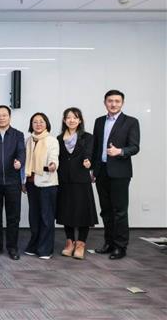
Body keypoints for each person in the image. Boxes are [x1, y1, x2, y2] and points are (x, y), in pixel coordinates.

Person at [92, 89, 140, 260]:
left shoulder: (131, 122)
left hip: (120, 172)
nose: (113, 104)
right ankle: (109, 243)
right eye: (110, 101)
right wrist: (93, 170)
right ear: (105, 102)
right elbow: (96, 147)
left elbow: (135, 147)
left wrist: (120, 151)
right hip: (101, 171)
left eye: (117, 101)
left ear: (122, 103)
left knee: (119, 211)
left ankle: (120, 247)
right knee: (106, 210)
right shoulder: (99, 121)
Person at [0, 105, 25, 260]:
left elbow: (21, 152)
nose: (1, 118)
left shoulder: (17, 135)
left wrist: (20, 162)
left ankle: (12, 247)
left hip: (13, 181)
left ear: (9, 117)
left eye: (4, 115)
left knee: (13, 216)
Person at [56, 107, 97, 260]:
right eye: (68, 117)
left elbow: (90, 154)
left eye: (75, 117)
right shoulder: (59, 138)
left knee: (83, 212)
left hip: (81, 180)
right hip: (64, 180)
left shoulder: (88, 137)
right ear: (64, 120)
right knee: (66, 211)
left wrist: (89, 162)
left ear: (80, 120)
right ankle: (70, 242)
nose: (71, 120)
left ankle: (80, 244)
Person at [24, 112, 59, 260]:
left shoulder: (52, 140)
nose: (38, 124)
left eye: (41, 121)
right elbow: (26, 162)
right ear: (31, 125)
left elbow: (54, 158)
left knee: (46, 217)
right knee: (34, 217)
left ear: (46, 124)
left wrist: (53, 165)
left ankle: (45, 250)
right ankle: (34, 245)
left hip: (47, 184)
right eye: (35, 122)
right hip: (31, 183)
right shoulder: (28, 140)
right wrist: (23, 181)